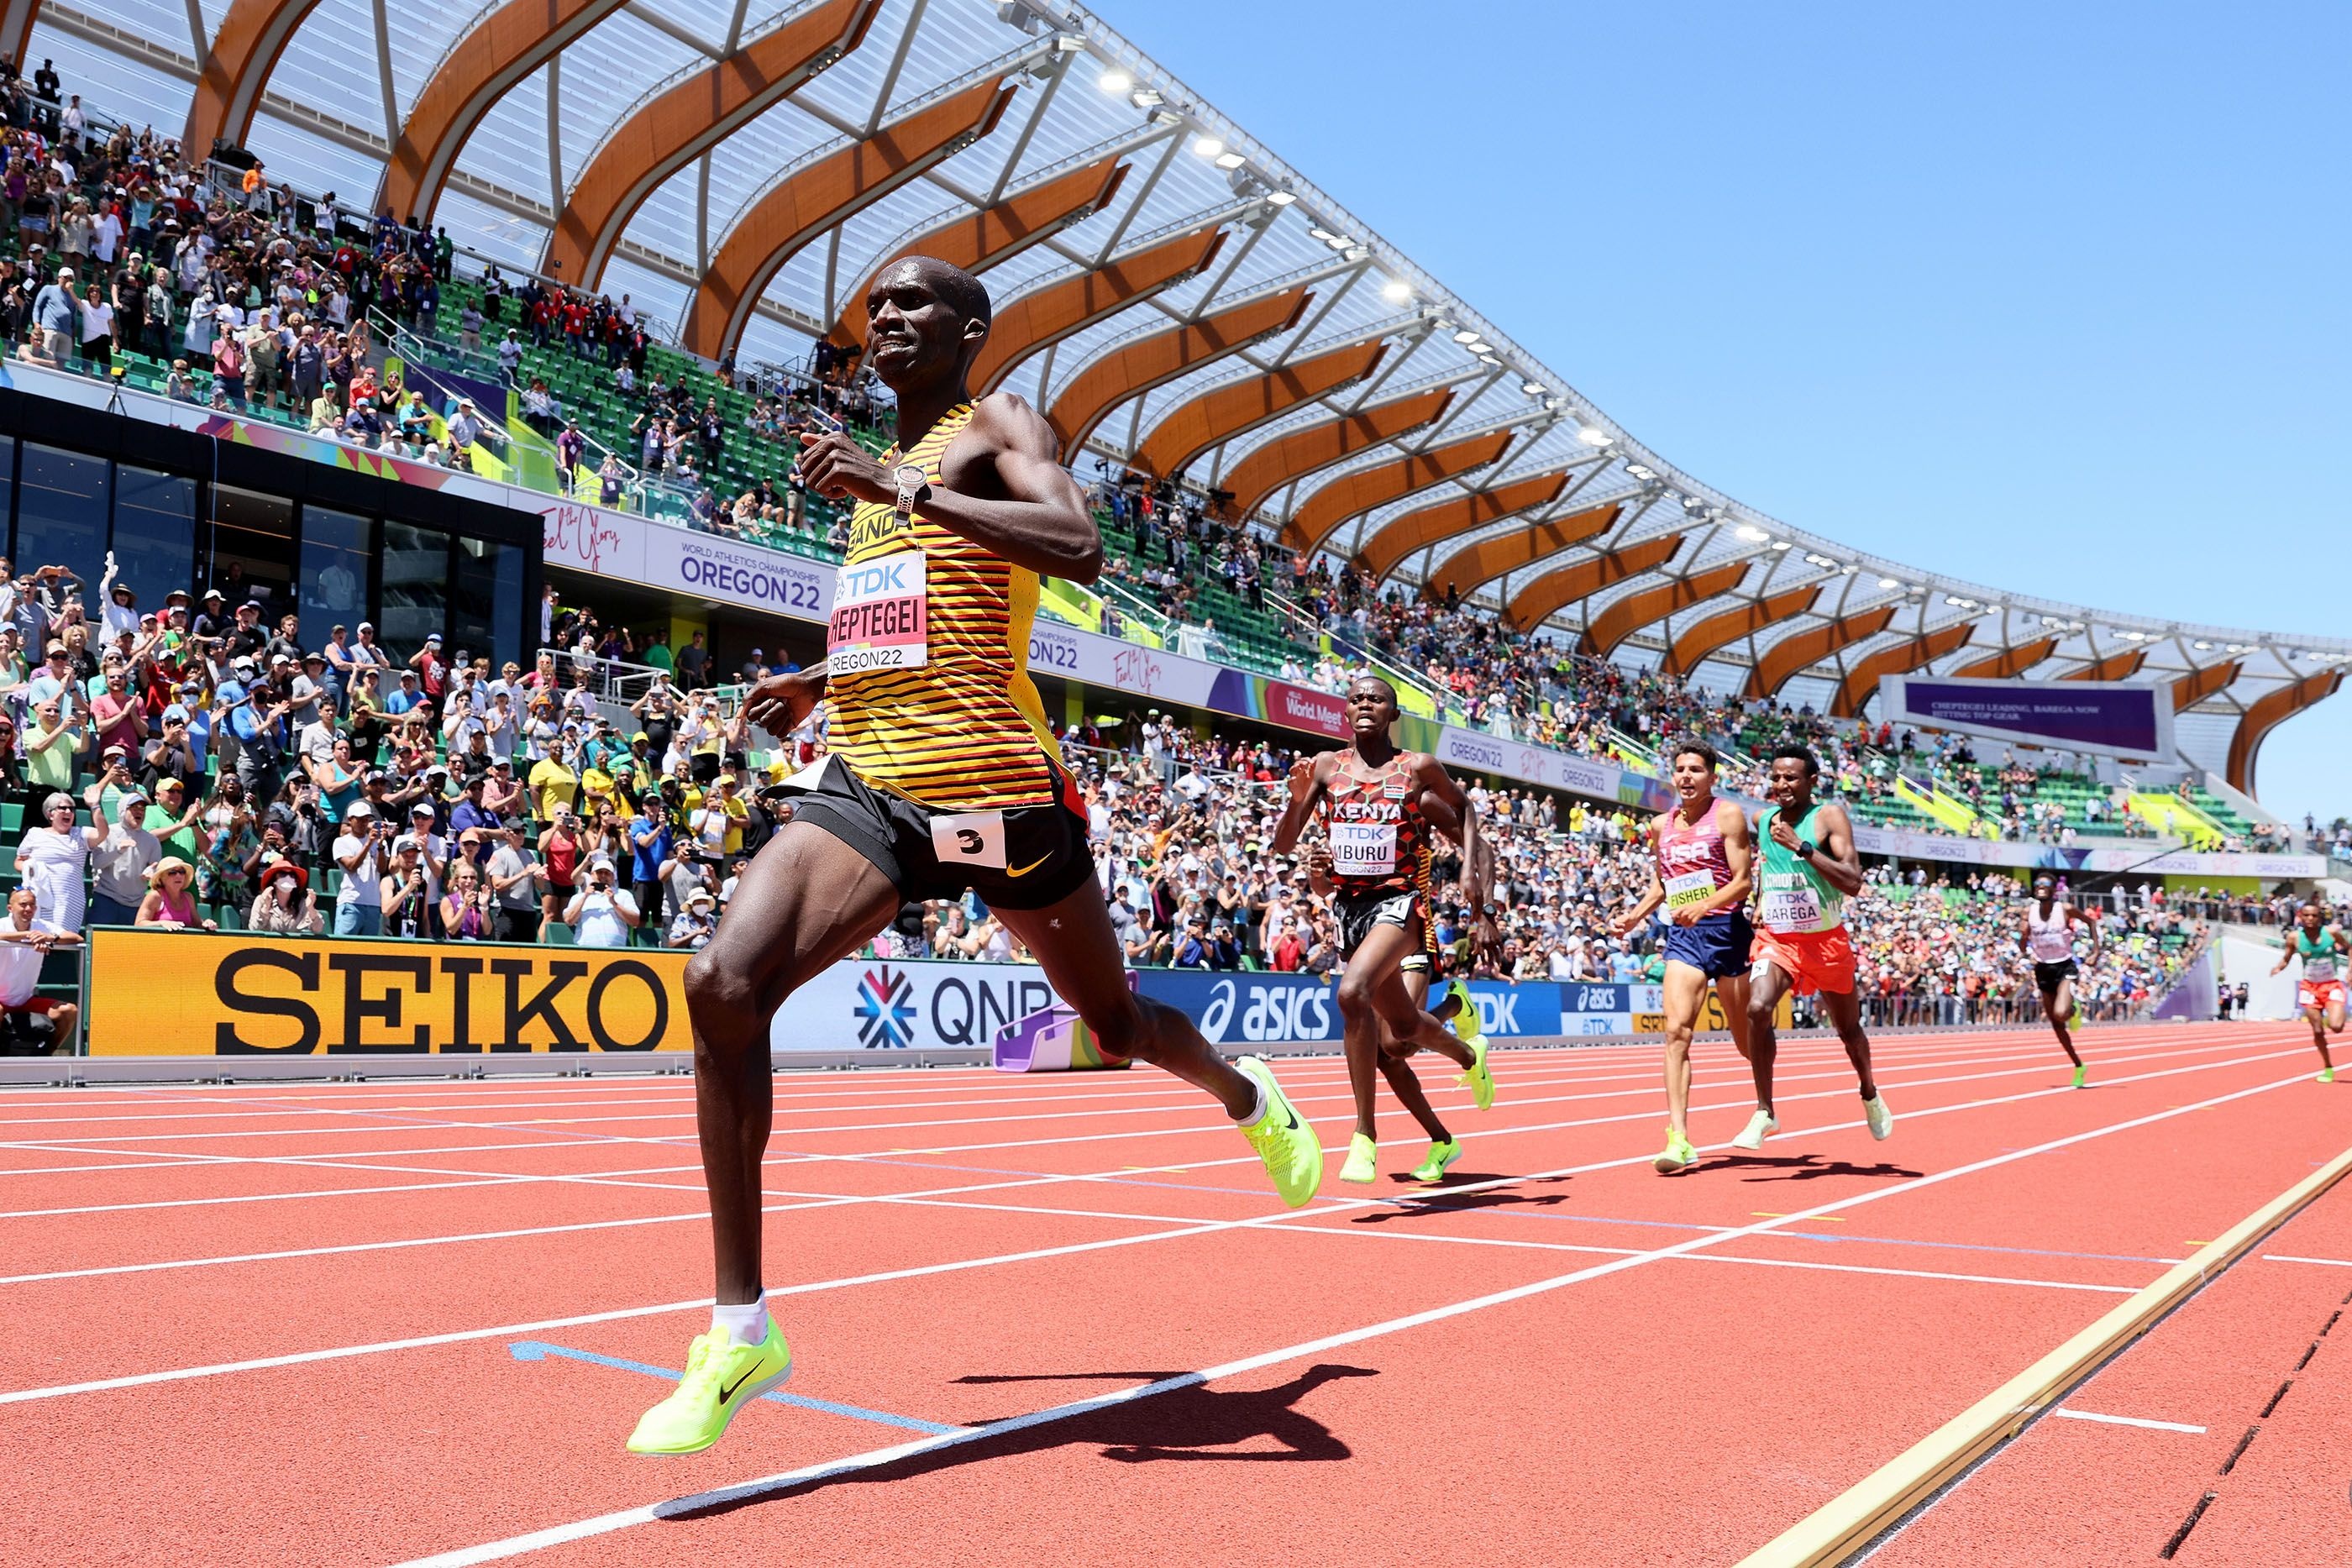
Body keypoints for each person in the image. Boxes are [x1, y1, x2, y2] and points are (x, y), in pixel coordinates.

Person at [625, 256, 1323, 1459]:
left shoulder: (997, 424)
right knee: (720, 985)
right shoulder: (865, 483)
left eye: (913, 304)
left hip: (1004, 795)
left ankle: (1244, 1089)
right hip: (873, 787)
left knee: (1113, 1024)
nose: (886, 318)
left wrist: (902, 484)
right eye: (874, 307)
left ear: (970, 328)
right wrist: (823, 674)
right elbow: (917, 620)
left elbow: (1076, 542)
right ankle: (740, 1326)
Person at [1268, 674, 1494, 1184]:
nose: (1365, 703)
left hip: (1401, 904)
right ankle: (1467, 1053)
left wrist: (1466, 869)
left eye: (1377, 698)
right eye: (1356, 698)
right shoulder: (1326, 767)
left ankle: (1364, 1136)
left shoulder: (1417, 768)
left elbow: (1467, 808)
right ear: (1345, 712)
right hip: (1351, 910)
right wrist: (1297, 798)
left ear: (1394, 714)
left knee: (1352, 994)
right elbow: (1284, 845)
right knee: (1405, 1032)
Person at [1610, 739, 1756, 1174]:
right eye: (1680, 770)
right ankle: (1679, 1137)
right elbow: (1664, 882)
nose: (1686, 777)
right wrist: (1635, 916)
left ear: (1712, 776)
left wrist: (1705, 906)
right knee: (1676, 1031)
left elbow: (1744, 881)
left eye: (1695, 769)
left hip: (1727, 932)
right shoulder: (1661, 826)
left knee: (1744, 1039)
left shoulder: (1727, 815)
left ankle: (1764, 1100)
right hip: (1685, 937)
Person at [1743, 744, 1892, 1145]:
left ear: (1811, 781)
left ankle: (1869, 1092)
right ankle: (1764, 1111)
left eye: (1790, 778)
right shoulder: (1763, 819)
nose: (1781, 784)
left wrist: (1802, 847)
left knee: (1848, 1031)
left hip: (1825, 943)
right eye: (1775, 777)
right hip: (1778, 939)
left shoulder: (1827, 817)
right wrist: (1757, 900)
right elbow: (1764, 866)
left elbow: (1853, 882)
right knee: (1757, 1007)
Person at [2023, 873, 2098, 1087]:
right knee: (2056, 1024)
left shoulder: (2064, 909)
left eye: (2045, 884)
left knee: (2060, 1012)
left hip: (2065, 965)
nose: (2040, 886)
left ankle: (2073, 1009)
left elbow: (2091, 922)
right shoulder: (2029, 913)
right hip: (2042, 968)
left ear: (2054, 889)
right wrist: (2023, 939)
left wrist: (2096, 952)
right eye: (2037, 884)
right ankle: (2078, 1065)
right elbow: (2023, 945)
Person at [2271, 901, 2347, 1083]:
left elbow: (2349, 947)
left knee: (2336, 1027)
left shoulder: (2331, 933)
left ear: (2320, 917)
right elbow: (2287, 957)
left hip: (2331, 985)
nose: (2310, 919)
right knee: (2318, 1030)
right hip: (2309, 988)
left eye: (2314, 915)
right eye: (2307, 915)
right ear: (2301, 916)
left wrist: (2350, 970)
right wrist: (2278, 968)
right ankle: (2328, 1067)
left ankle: (2329, 1017)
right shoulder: (2294, 937)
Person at [0, 886, 79, 1054]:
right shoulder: (4, 924)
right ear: (10, 908)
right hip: (1, 1002)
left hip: (25, 1000)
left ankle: (46, 1055)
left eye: (32, 905)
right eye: (23, 905)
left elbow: (77, 938)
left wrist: (50, 938)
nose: (28, 909)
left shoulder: (41, 927)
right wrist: (30, 936)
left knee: (68, 1011)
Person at [330, 800, 387, 936]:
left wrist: (380, 847)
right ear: (350, 820)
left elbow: (382, 869)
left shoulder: (379, 842)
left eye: (366, 819)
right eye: (360, 819)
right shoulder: (341, 842)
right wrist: (368, 844)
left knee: (368, 951)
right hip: (351, 901)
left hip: (373, 903)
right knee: (343, 948)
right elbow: (351, 866)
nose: (363, 823)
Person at [564, 854, 638, 947]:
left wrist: (614, 903)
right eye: (599, 872)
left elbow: (635, 921)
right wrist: (585, 897)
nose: (603, 876)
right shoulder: (579, 897)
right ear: (592, 875)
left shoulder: (624, 894)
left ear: (613, 876)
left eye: (607, 873)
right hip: (585, 950)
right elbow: (568, 920)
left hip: (616, 951)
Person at [134, 857, 217, 931]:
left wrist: (207, 924)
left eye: (182, 872)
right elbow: (139, 924)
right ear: (161, 877)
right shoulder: (155, 896)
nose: (179, 875)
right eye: (173, 872)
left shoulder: (188, 897)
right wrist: (161, 924)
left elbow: (197, 924)